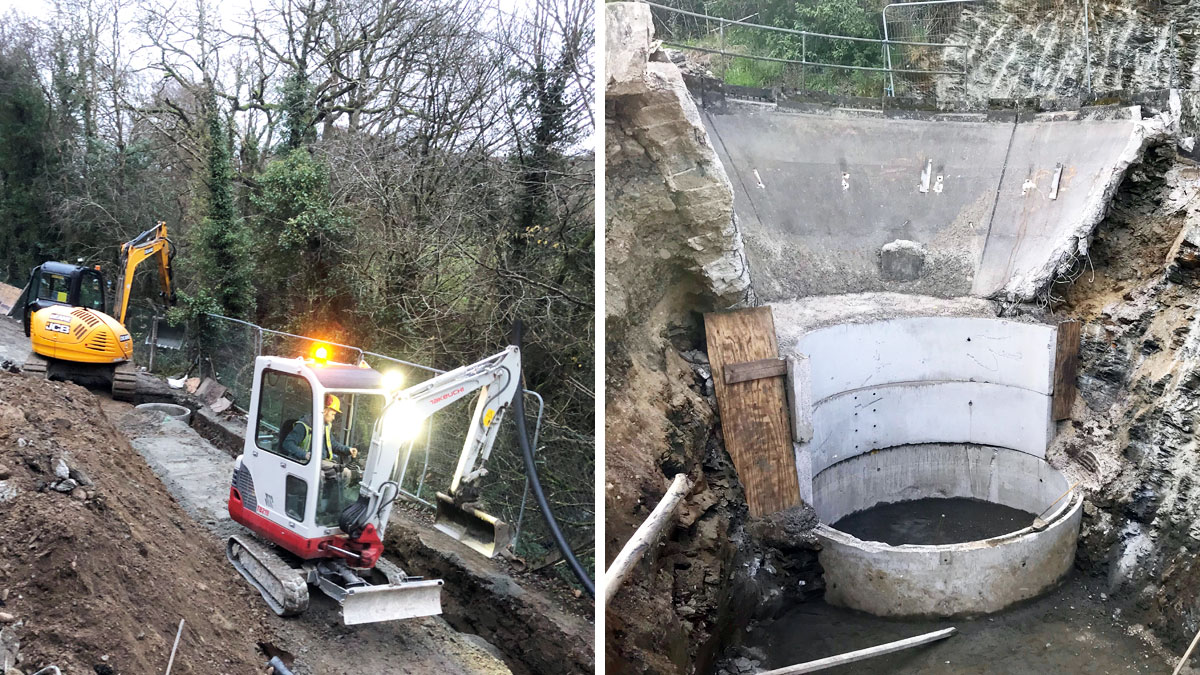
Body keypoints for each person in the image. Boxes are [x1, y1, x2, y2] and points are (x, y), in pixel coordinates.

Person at [282, 393, 359, 475]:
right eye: (332, 414)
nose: (333, 418)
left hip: (321, 461)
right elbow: (287, 444)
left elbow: (332, 444)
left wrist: (347, 450)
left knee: (345, 473)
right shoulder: (304, 425)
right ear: (324, 410)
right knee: (320, 476)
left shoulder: (325, 426)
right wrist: (304, 455)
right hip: (304, 462)